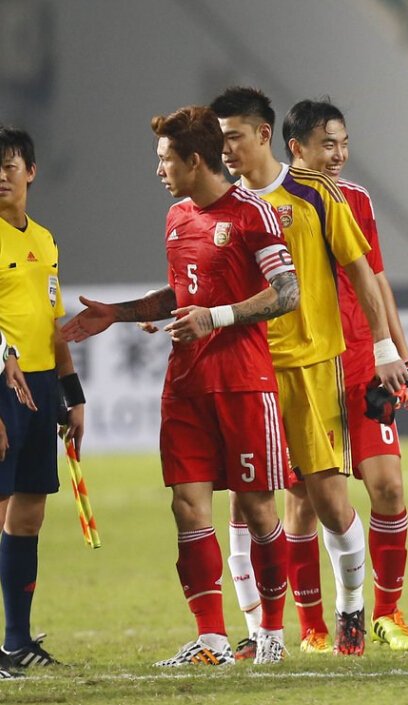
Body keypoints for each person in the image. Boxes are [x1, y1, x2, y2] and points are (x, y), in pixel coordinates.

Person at [61, 106, 299, 665]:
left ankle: (270, 634)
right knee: (187, 506)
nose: (159, 169)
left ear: (195, 160)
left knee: (258, 508)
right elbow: (179, 294)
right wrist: (118, 313)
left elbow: (287, 292)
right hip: (186, 385)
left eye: (165, 159)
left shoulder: (253, 214)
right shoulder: (176, 217)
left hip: (242, 384)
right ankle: (211, 640)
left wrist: (214, 318)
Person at [209, 87, 408, 656]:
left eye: (233, 137)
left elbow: (364, 272)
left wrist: (387, 347)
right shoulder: (223, 204)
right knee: (248, 499)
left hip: (315, 369)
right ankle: (263, 632)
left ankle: (353, 609)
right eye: (220, 140)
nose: (225, 149)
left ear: (263, 135)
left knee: (329, 501)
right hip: (249, 370)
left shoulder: (316, 193)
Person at [279, 98, 408, 650]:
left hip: (364, 362)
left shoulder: (356, 199)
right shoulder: (268, 204)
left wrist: (403, 355)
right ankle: (313, 626)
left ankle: (387, 612)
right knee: (305, 501)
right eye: (328, 145)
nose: (339, 155)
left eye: (343, 144)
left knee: (388, 485)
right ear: (296, 147)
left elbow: (376, 279)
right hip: (306, 366)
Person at [0, 125, 85, 672]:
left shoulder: (46, 240)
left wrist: (71, 394)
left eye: (9, 166)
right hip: (2, 387)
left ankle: (16, 641)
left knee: (28, 516)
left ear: (30, 172)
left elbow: (55, 324)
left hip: (40, 385)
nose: (1, 176)